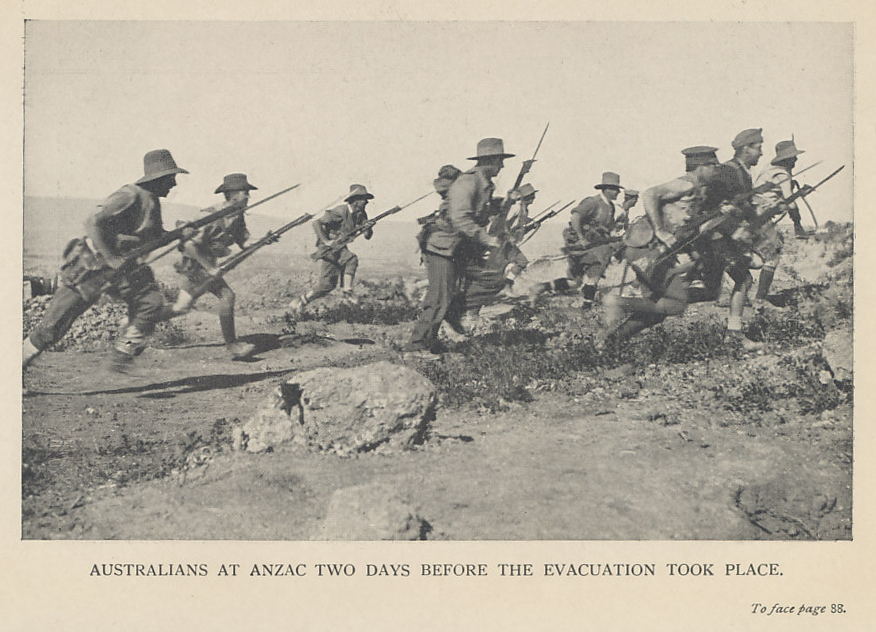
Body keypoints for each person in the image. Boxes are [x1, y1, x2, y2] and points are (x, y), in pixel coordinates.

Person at [23, 149, 189, 372]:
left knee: (150, 302)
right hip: (90, 268)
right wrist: (111, 258)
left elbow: (153, 240)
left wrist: (180, 234)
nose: (174, 184)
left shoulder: (152, 201)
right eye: (171, 178)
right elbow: (92, 222)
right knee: (52, 328)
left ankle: (123, 353)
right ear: (158, 178)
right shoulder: (130, 195)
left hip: (122, 269)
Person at [404, 139, 508, 357]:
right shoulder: (467, 182)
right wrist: (486, 239)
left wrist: (507, 202)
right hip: (442, 246)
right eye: (499, 161)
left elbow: (479, 210)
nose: (502, 166)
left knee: (492, 279)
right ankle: (417, 346)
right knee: (439, 297)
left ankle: (452, 313)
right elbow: (460, 218)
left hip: (459, 248)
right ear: (489, 160)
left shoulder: (484, 183)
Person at [166, 173, 258, 360]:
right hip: (194, 267)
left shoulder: (237, 216)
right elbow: (190, 245)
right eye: (245, 192)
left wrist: (264, 240)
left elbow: (243, 241)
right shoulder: (211, 216)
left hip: (207, 266)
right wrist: (209, 268)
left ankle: (137, 323)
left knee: (182, 307)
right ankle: (232, 345)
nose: (248, 196)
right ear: (233, 195)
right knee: (225, 296)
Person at [530, 171, 625, 309]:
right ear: (606, 189)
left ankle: (540, 287)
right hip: (580, 247)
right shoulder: (592, 202)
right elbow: (575, 216)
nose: (618, 192)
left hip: (593, 247)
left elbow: (606, 228)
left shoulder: (610, 207)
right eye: (615, 189)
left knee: (575, 282)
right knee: (595, 274)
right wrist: (581, 238)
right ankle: (587, 308)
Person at [288, 184, 375, 313]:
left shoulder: (361, 214)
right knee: (350, 260)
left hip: (340, 247)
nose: (366, 202)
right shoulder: (340, 211)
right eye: (363, 199)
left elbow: (367, 236)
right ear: (355, 200)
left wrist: (369, 228)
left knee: (327, 285)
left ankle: (300, 302)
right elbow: (316, 223)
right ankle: (347, 292)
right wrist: (326, 241)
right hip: (328, 248)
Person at [751, 138, 807, 301]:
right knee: (773, 255)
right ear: (786, 159)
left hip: (752, 213)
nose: (795, 160)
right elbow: (790, 201)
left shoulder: (769, 170)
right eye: (793, 157)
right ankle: (760, 299)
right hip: (760, 216)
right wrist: (798, 224)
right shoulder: (782, 174)